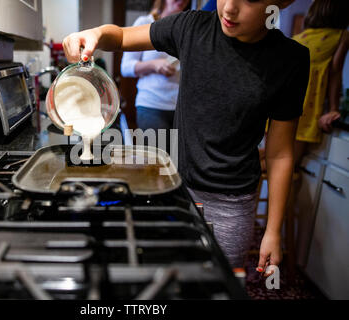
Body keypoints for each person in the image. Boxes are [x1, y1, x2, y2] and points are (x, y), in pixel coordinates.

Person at [62, 0, 310, 275]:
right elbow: (120, 36)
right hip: (175, 189)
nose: (229, 8)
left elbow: (279, 153)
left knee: (219, 282)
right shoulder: (191, 28)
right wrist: (94, 34)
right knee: (169, 278)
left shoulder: (290, 60)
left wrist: (273, 230)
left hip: (232, 205)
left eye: (249, 0)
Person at [120, 0, 191, 148]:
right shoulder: (145, 23)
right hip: (151, 106)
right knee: (158, 163)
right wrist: (154, 65)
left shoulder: (187, 29)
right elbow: (125, 67)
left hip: (182, 108)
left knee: (177, 164)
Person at [292, 0, 349, 166]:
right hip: (304, 113)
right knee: (289, 165)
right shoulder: (342, 36)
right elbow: (335, 71)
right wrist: (333, 109)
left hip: (277, 108)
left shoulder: (298, 37)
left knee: (272, 158)